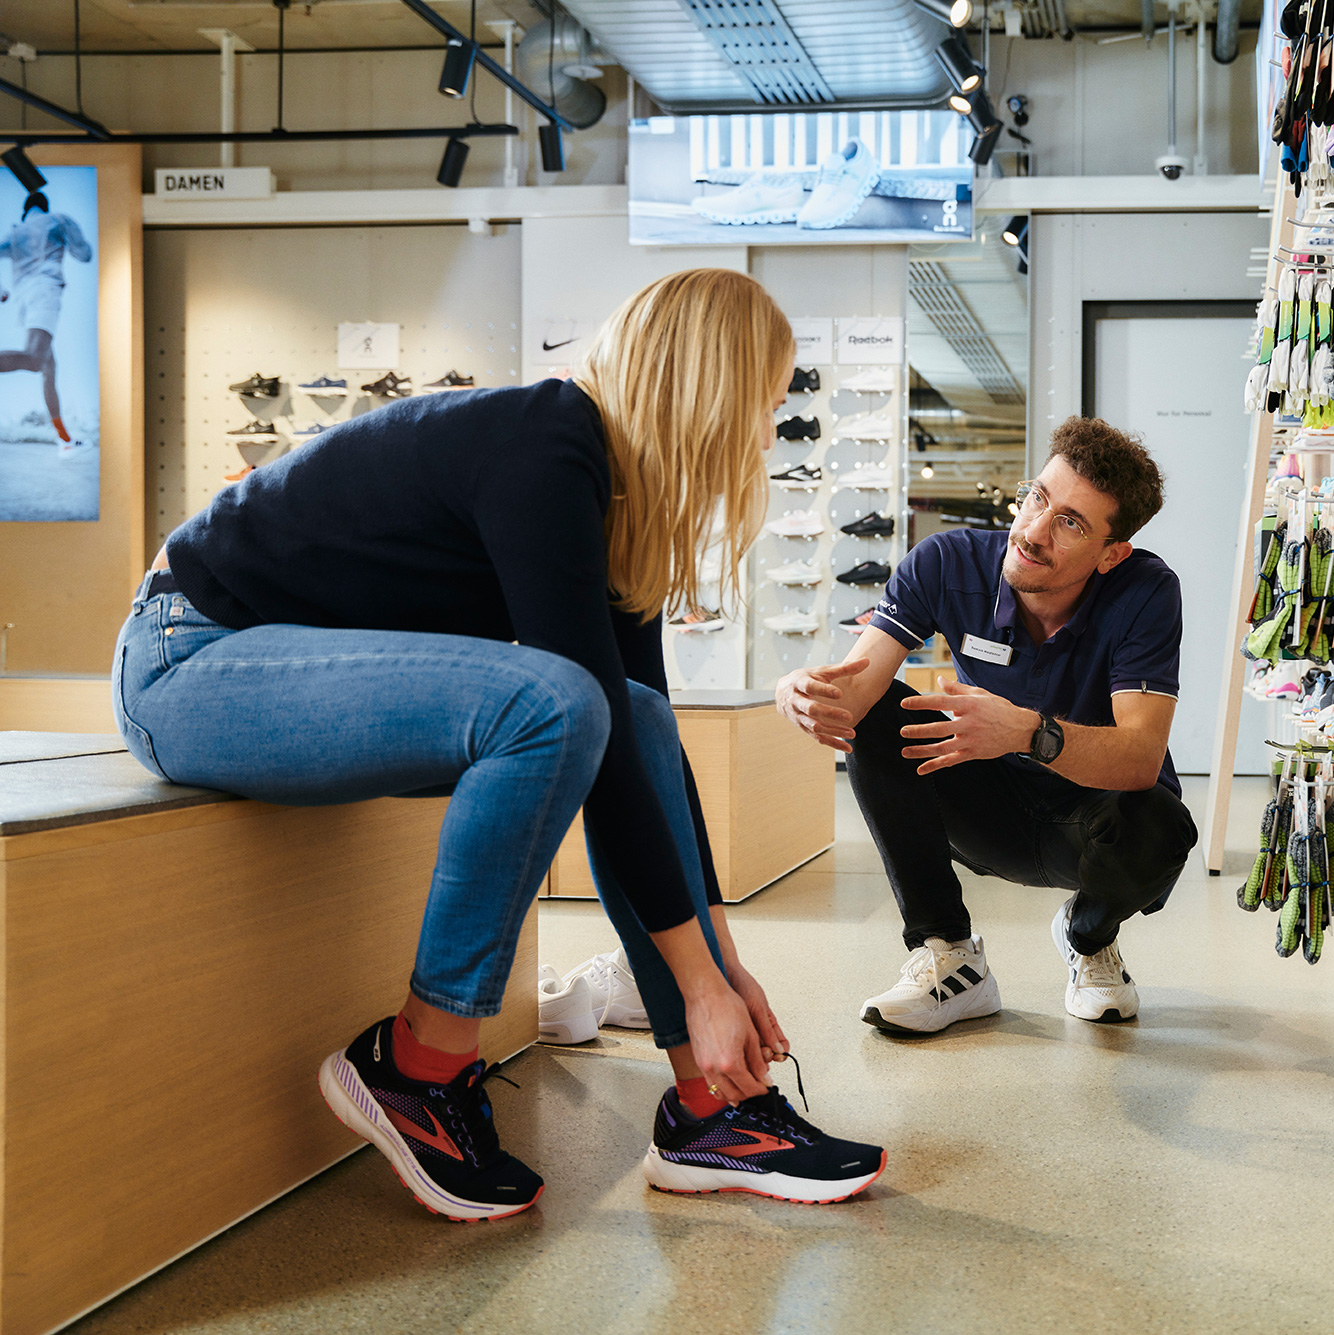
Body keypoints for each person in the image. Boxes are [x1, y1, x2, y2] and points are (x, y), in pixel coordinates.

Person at [114, 269, 883, 1220]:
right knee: (554, 700)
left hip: (279, 666)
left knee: (627, 713)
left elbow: (640, 734)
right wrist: (696, 977)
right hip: (189, 661)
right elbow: (574, 709)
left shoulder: (611, 494)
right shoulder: (548, 446)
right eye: (764, 406)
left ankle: (712, 1104)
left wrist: (721, 966)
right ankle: (419, 1063)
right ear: (708, 391)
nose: (767, 437)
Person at [776, 417, 1198, 1034]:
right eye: (1037, 497)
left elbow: (1139, 757)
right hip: (986, 811)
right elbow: (856, 688)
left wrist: (1029, 733)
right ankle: (948, 955)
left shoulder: (1147, 592)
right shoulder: (947, 563)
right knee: (879, 719)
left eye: (1070, 523)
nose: (1033, 530)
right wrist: (800, 690)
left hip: (1090, 828)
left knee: (1161, 826)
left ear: (1112, 554)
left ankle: (1088, 937)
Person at [0, 191, 94, 450]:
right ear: (45, 206)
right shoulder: (57, 219)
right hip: (45, 292)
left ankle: (64, 439)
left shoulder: (15, 231)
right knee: (34, 359)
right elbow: (85, 254)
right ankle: (64, 440)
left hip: (23, 300)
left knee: (48, 367)